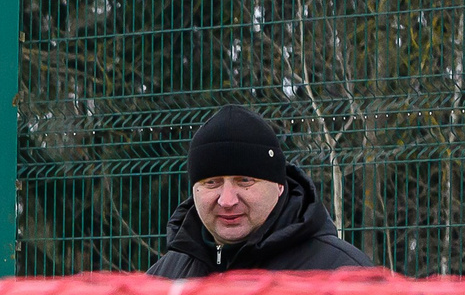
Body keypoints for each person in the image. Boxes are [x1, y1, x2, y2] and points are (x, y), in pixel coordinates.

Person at [147, 108, 372, 278]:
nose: (227, 201)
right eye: (212, 183)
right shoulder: (164, 280)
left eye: (245, 181)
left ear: (279, 185)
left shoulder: (343, 275)